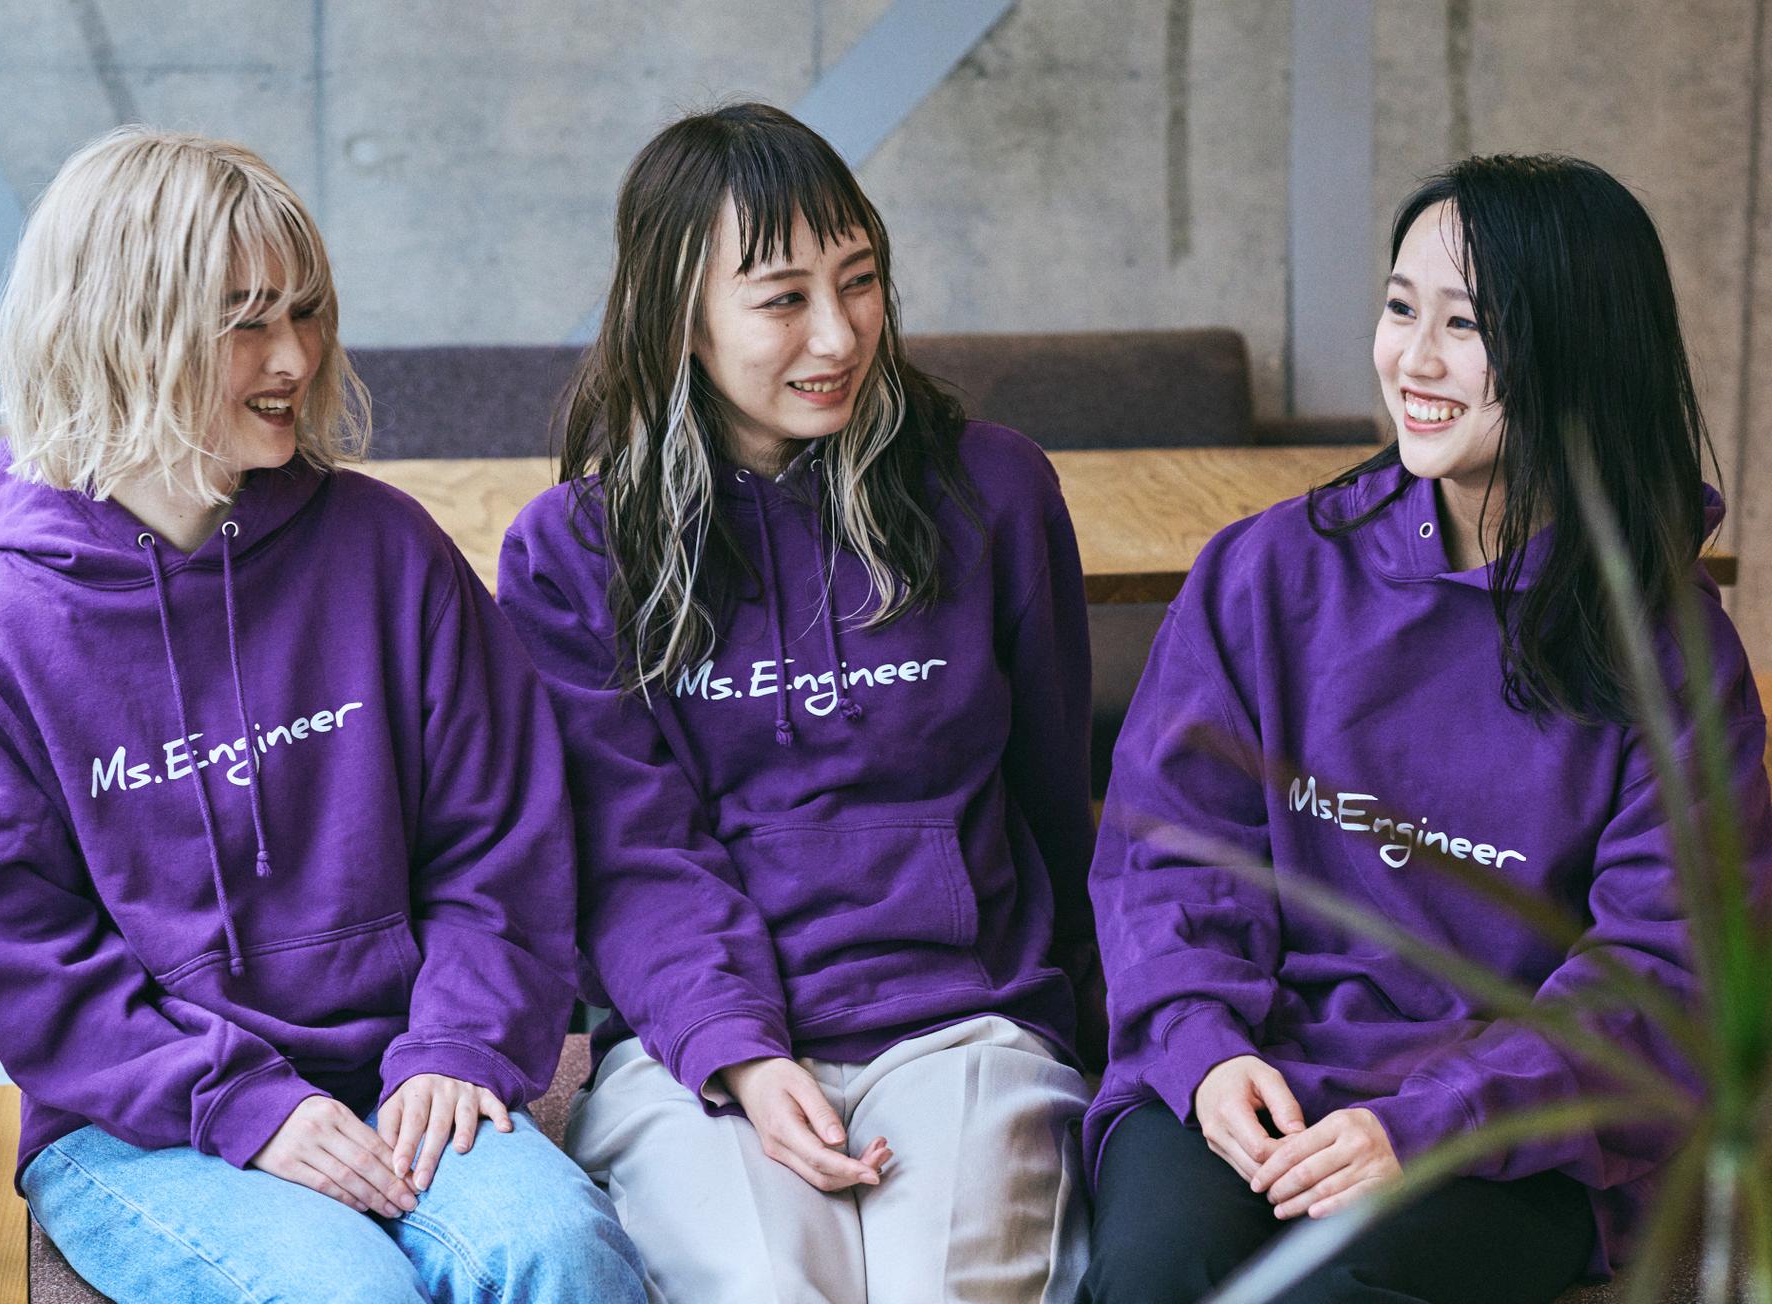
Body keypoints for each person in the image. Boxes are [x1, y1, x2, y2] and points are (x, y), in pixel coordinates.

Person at [0, 128, 643, 1303]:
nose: (297, 355)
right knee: (344, 1291)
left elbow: (500, 844)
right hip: (143, 1116)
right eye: (246, 321)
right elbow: (23, 955)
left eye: (305, 311)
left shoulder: (388, 553)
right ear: (121, 330)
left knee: (560, 1249)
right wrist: (244, 1101)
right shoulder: (4, 632)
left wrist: (457, 1044)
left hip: (404, 1067)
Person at [1077, 153, 1772, 1304]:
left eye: (1469, 325)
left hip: (1511, 1134)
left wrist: (1432, 1120)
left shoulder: (1670, 652)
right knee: (1153, 1274)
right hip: (1255, 1067)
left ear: (1580, 349)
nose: (1415, 358)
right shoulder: (1265, 571)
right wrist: (1203, 1048)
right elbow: (1166, 855)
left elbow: (1662, 974)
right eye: (1402, 308)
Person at [497, 102, 1098, 1302]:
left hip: (965, 1017)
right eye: (783, 298)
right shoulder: (577, 552)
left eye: (859, 280)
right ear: (679, 316)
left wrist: (1106, 1027)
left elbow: (1056, 793)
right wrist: (738, 1052)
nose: (839, 332)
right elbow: (629, 852)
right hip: (696, 1045)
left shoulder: (991, 490)